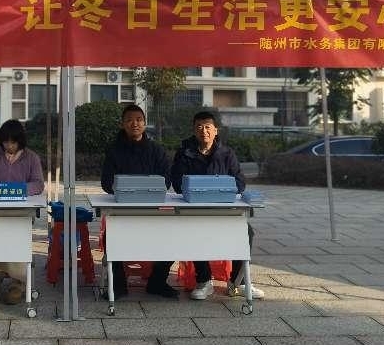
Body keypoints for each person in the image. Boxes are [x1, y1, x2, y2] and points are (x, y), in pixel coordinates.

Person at [169, 110, 263, 300]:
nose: (204, 131)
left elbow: (240, 182)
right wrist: (202, 189)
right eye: (199, 127)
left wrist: (214, 189)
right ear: (194, 130)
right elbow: (178, 184)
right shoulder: (184, 153)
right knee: (193, 231)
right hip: (194, 211)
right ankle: (204, 281)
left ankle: (237, 283)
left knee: (246, 232)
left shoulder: (227, 154)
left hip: (223, 210)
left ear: (215, 130)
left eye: (208, 127)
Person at [100, 104, 176, 299]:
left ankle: (157, 282)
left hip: (153, 211)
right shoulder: (114, 151)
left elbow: (166, 180)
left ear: (144, 123)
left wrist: (145, 188)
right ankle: (118, 285)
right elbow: (107, 183)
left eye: (139, 120)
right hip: (123, 210)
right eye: (129, 120)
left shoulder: (156, 150)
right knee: (110, 238)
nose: (135, 124)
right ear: (122, 124)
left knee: (174, 236)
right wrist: (127, 189)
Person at [0, 119, 44, 305]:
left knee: (17, 243)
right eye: (5, 142)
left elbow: (38, 184)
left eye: (13, 142)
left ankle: (18, 283)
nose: (9, 146)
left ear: (20, 141)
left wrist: (19, 190)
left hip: (20, 212)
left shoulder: (31, 158)